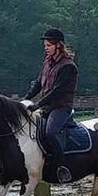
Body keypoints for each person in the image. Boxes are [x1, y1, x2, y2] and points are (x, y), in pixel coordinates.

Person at [24, 28, 79, 184]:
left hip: (61, 108)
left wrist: (38, 104)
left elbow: (57, 91)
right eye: (45, 45)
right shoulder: (47, 63)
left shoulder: (68, 66)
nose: (46, 47)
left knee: (50, 132)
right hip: (47, 107)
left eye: (48, 45)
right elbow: (38, 84)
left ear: (58, 46)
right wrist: (25, 99)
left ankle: (62, 167)